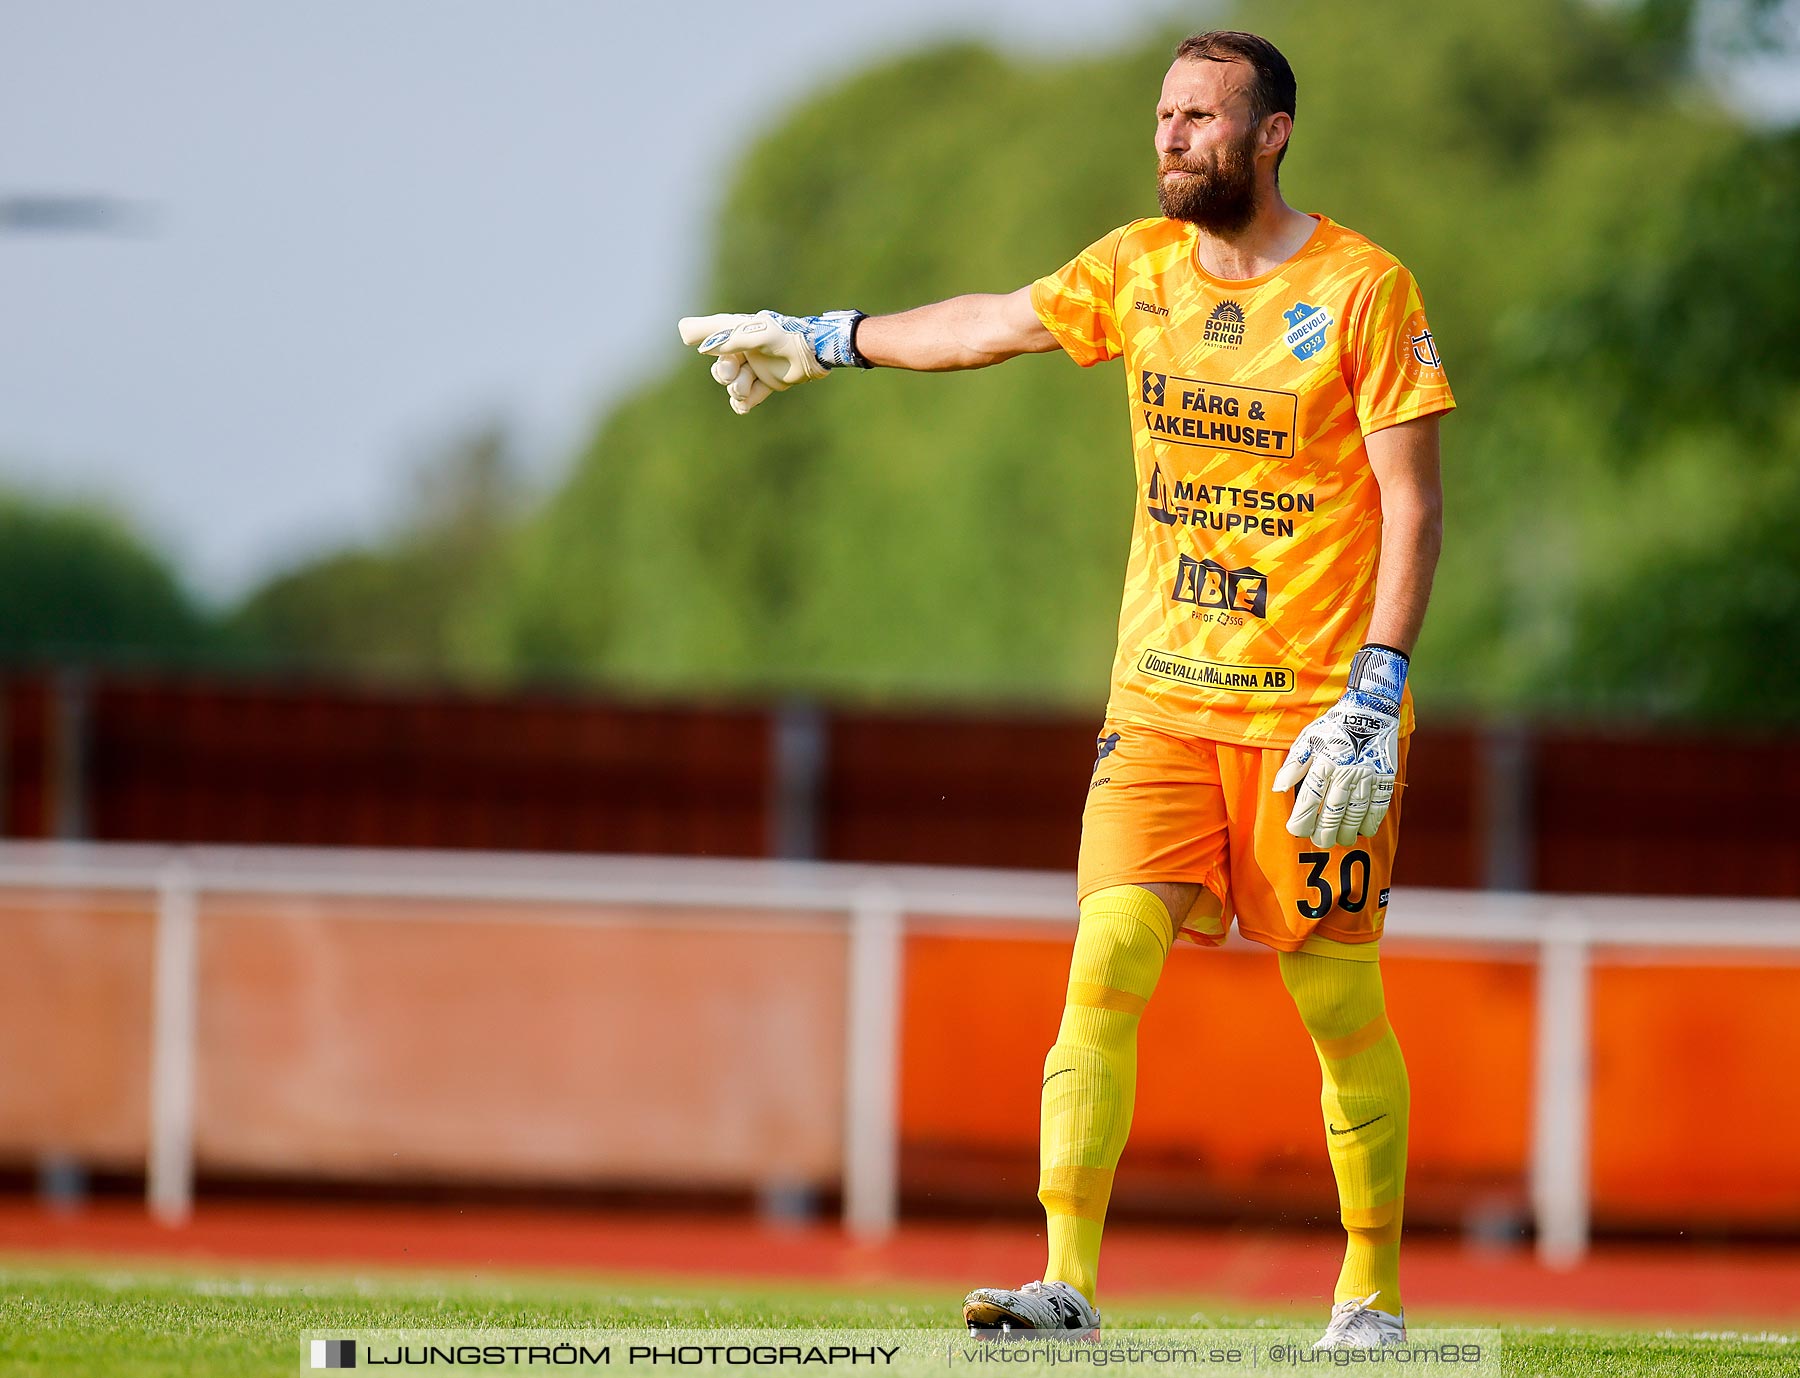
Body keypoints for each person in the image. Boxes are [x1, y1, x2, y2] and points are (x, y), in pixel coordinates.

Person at [678, 29, 1452, 1352]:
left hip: (1312, 723)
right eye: (1163, 115)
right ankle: (1067, 1282)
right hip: (1156, 704)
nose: (1171, 138)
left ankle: (1368, 1293)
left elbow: (1415, 500)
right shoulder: (1139, 268)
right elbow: (992, 323)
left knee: (1335, 1005)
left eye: (1201, 118)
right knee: (1105, 962)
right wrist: (823, 338)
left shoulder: (1364, 287)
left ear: (1272, 136)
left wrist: (1375, 693)